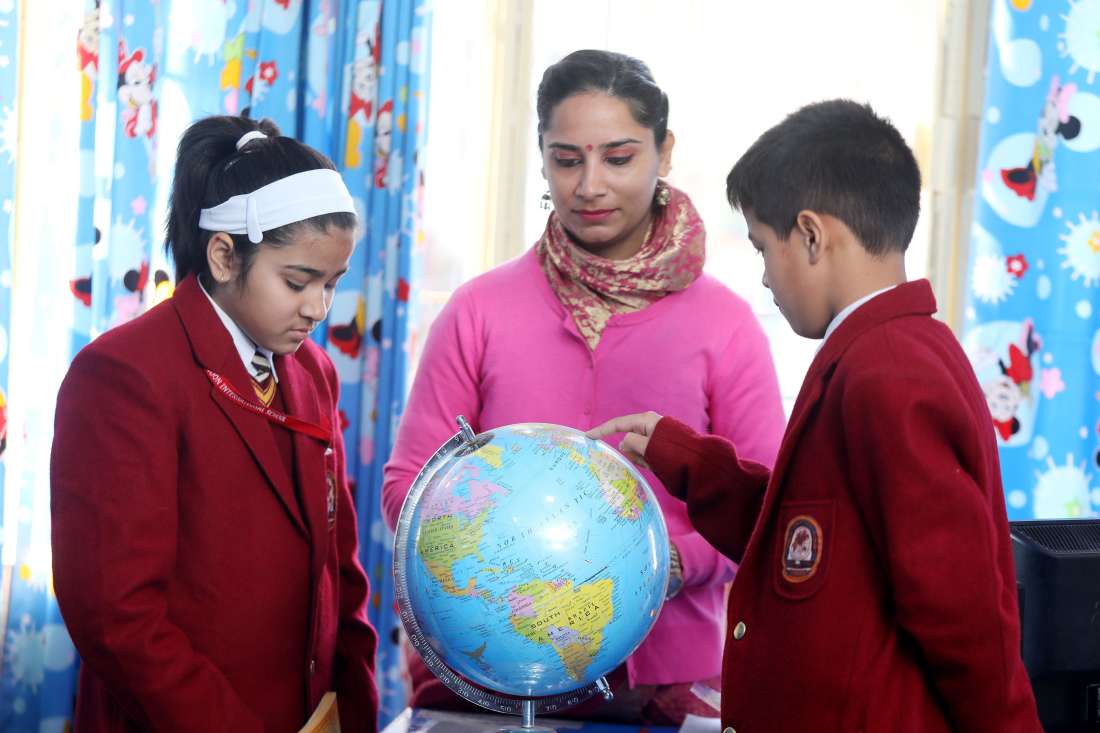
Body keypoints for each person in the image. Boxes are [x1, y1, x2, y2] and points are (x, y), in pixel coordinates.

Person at [589, 99, 1043, 733]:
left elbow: (958, 610)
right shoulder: (875, 353)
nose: (765, 279)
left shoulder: (889, 372)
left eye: (762, 249)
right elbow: (810, 549)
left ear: (810, 235)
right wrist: (691, 463)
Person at [382, 50, 785, 724]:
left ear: (665, 152)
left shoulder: (727, 324)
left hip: (667, 686)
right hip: (489, 676)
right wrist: (497, 551)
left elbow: (769, 502)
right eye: (566, 160)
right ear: (542, 159)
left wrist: (667, 563)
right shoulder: (478, 309)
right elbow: (407, 485)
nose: (590, 185)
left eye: (618, 157)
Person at [51, 115, 379, 733]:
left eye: (332, 284)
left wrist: (356, 709)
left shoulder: (312, 371)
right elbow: (118, 617)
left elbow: (339, 569)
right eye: (298, 282)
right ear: (225, 256)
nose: (318, 308)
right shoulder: (125, 375)